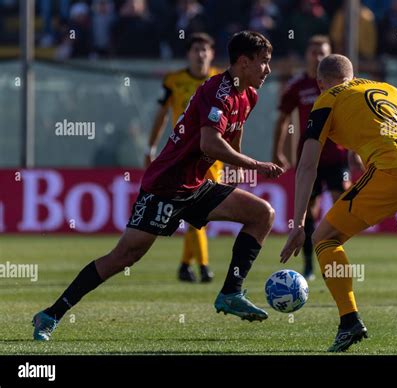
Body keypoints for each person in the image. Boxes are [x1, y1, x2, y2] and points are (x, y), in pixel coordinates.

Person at [33, 31, 283, 341]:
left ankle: (231, 292)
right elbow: (210, 143)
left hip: (197, 185)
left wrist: (235, 167)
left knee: (263, 214)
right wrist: (255, 165)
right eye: (264, 63)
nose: (268, 70)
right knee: (124, 257)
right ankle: (50, 314)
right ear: (244, 62)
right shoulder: (217, 90)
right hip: (166, 185)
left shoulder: (249, 94)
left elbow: (232, 136)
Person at [281, 54, 397, 352]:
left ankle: (349, 321)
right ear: (354, 75)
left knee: (324, 238)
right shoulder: (389, 89)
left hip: (393, 169)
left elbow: (307, 165)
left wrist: (299, 223)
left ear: (320, 83)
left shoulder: (327, 99)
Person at [272, 35, 354, 280]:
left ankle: (333, 255)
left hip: (338, 157)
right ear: (307, 55)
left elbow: (354, 121)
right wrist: (277, 151)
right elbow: (283, 119)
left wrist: (355, 152)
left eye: (323, 53)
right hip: (309, 159)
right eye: (314, 52)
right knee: (309, 211)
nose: (318, 56)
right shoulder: (298, 86)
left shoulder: (342, 84)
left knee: (345, 206)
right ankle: (308, 265)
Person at [145, 32, 220, 283]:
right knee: (197, 209)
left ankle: (185, 264)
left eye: (205, 50)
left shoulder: (221, 80)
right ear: (188, 54)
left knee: (199, 211)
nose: (200, 54)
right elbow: (162, 114)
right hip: (184, 153)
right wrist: (151, 146)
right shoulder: (174, 81)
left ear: (212, 54)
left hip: (213, 155)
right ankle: (204, 267)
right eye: (196, 49)